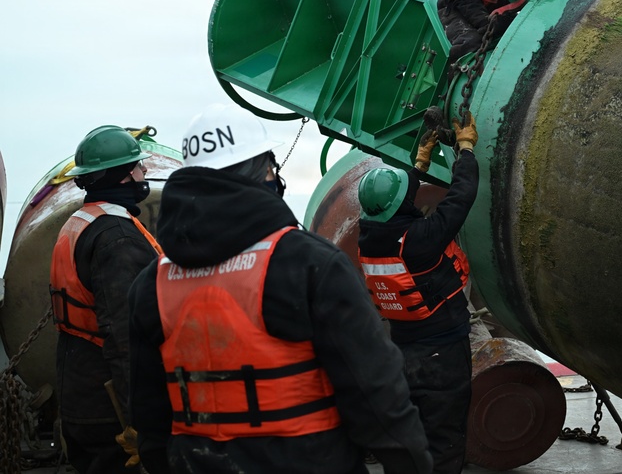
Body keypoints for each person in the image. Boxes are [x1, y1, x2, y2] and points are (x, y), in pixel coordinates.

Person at [127, 102, 433, 474]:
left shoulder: (151, 284)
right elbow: (376, 394)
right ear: (266, 171)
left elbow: (148, 411)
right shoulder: (310, 265)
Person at [356, 112, 479, 474]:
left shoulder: (369, 238)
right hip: (443, 354)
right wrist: (467, 149)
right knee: (445, 440)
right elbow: (461, 197)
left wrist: (419, 166)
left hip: (404, 352)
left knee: (410, 440)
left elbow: (396, 205)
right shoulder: (420, 240)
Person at [50, 125, 162, 473]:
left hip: (79, 389)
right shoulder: (117, 238)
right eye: (139, 167)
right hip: (108, 405)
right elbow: (126, 337)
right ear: (125, 175)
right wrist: (138, 421)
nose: (144, 173)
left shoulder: (82, 221)